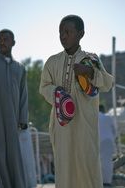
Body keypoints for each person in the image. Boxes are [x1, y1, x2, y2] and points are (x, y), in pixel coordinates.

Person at [39, 14, 113, 188]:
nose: (63, 36)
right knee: (64, 169)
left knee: (87, 167)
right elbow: (43, 87)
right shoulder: (52, 62)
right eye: (60, 32)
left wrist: (90, 73)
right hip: (61, 126)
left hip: (85, 126)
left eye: (67, 31)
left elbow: (108, 83)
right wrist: (57, 92)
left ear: (81, 34)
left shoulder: (91, 59)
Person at [0, 29, 28, 188]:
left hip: (13, 120)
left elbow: (24, 95)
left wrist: (23, 119)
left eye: (5, 39)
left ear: (13, 42)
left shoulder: (20, 68)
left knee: (14, 157)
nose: (2, 42)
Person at [99, 104, 117, 187]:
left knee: (96, 161)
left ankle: (98, 180)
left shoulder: (92, 117)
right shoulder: (108, 117)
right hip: (108, 141)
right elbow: (114, 131)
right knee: (107, 162)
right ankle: (106, 182)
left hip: (97, 140)